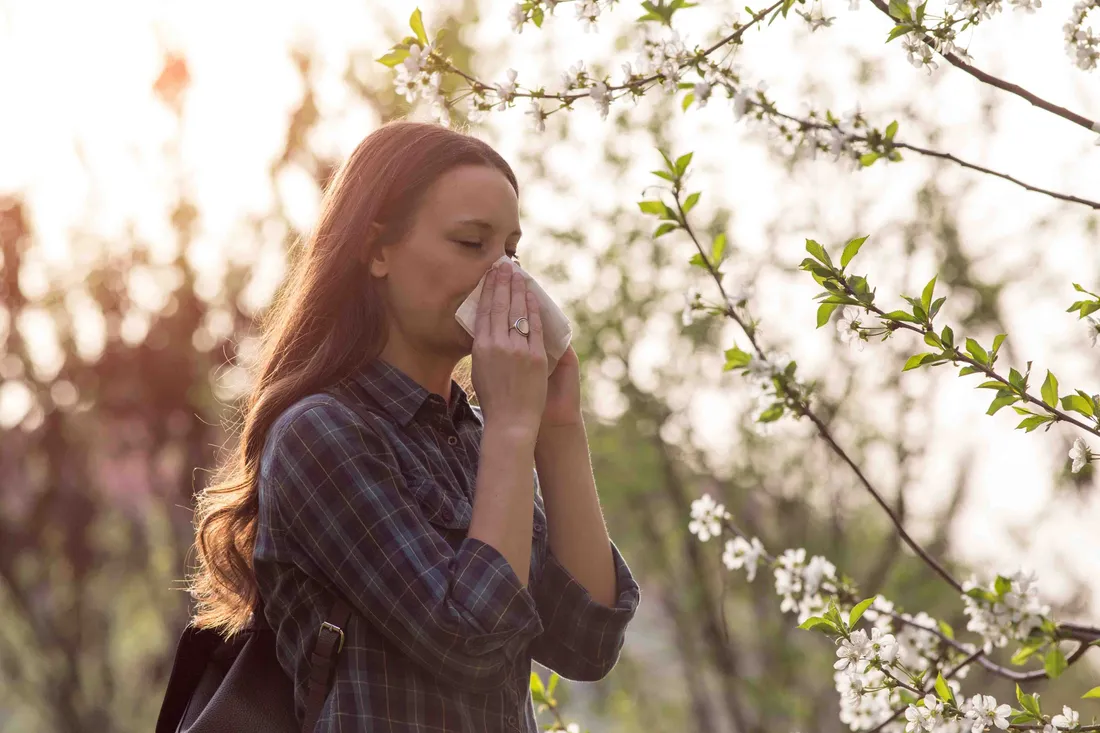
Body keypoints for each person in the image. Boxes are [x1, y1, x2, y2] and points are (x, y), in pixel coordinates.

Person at [185, 120, 641, 732]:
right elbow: (468, 640)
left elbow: (588, 641)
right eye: (470, 243)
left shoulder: (478, 439)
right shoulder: (322, 436)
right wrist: (510, 428)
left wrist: (558, 431)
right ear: (377, 250)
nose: (504, 277)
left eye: (510, 250)